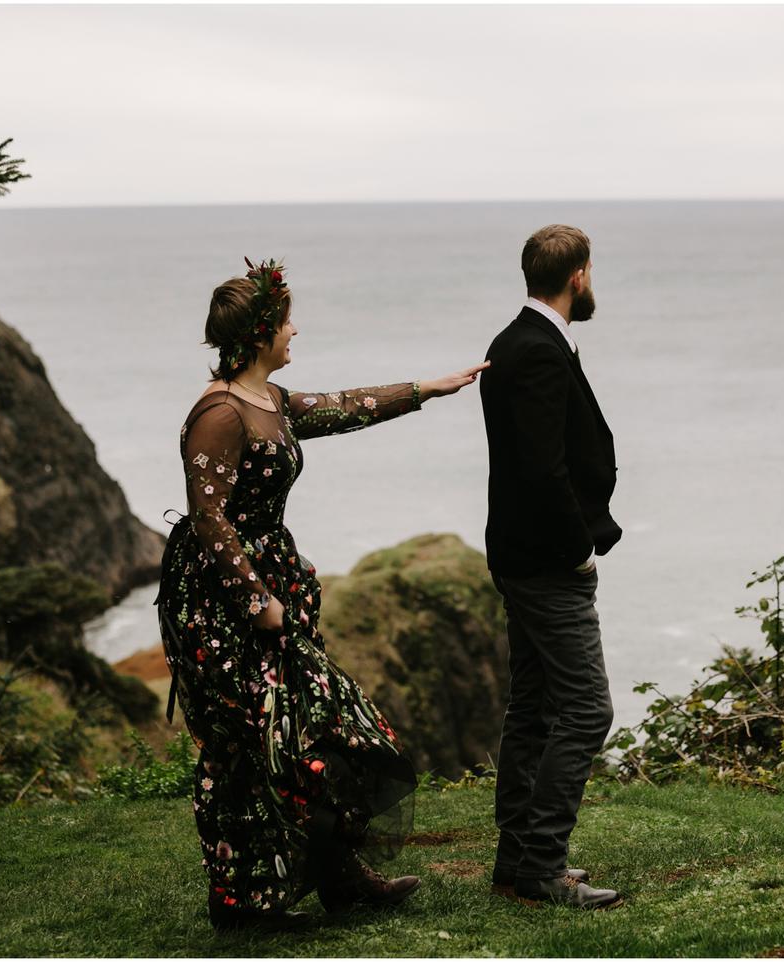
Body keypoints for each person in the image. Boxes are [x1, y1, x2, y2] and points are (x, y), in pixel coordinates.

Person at [155, 257, 488, 932]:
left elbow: (344, 406)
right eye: (285, 323)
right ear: (259, 335)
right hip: (220, 605)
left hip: (269, 586)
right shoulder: (218, 414)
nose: (295, 332)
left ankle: (339, 875)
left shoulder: (269, 402)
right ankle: (242, 903)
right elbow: (209, 521)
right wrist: (257, 601)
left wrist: (429, 387)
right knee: (247, 743)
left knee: (318, 727)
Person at [479, 225, 623, 910]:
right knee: (588, 710)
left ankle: (516, 859)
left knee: (533, 707)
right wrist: (579, 548)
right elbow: (542, 469)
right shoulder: (535, 350)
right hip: (546, 561)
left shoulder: (515, 341)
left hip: (518, 555)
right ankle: (542, 866)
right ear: (580, 276)